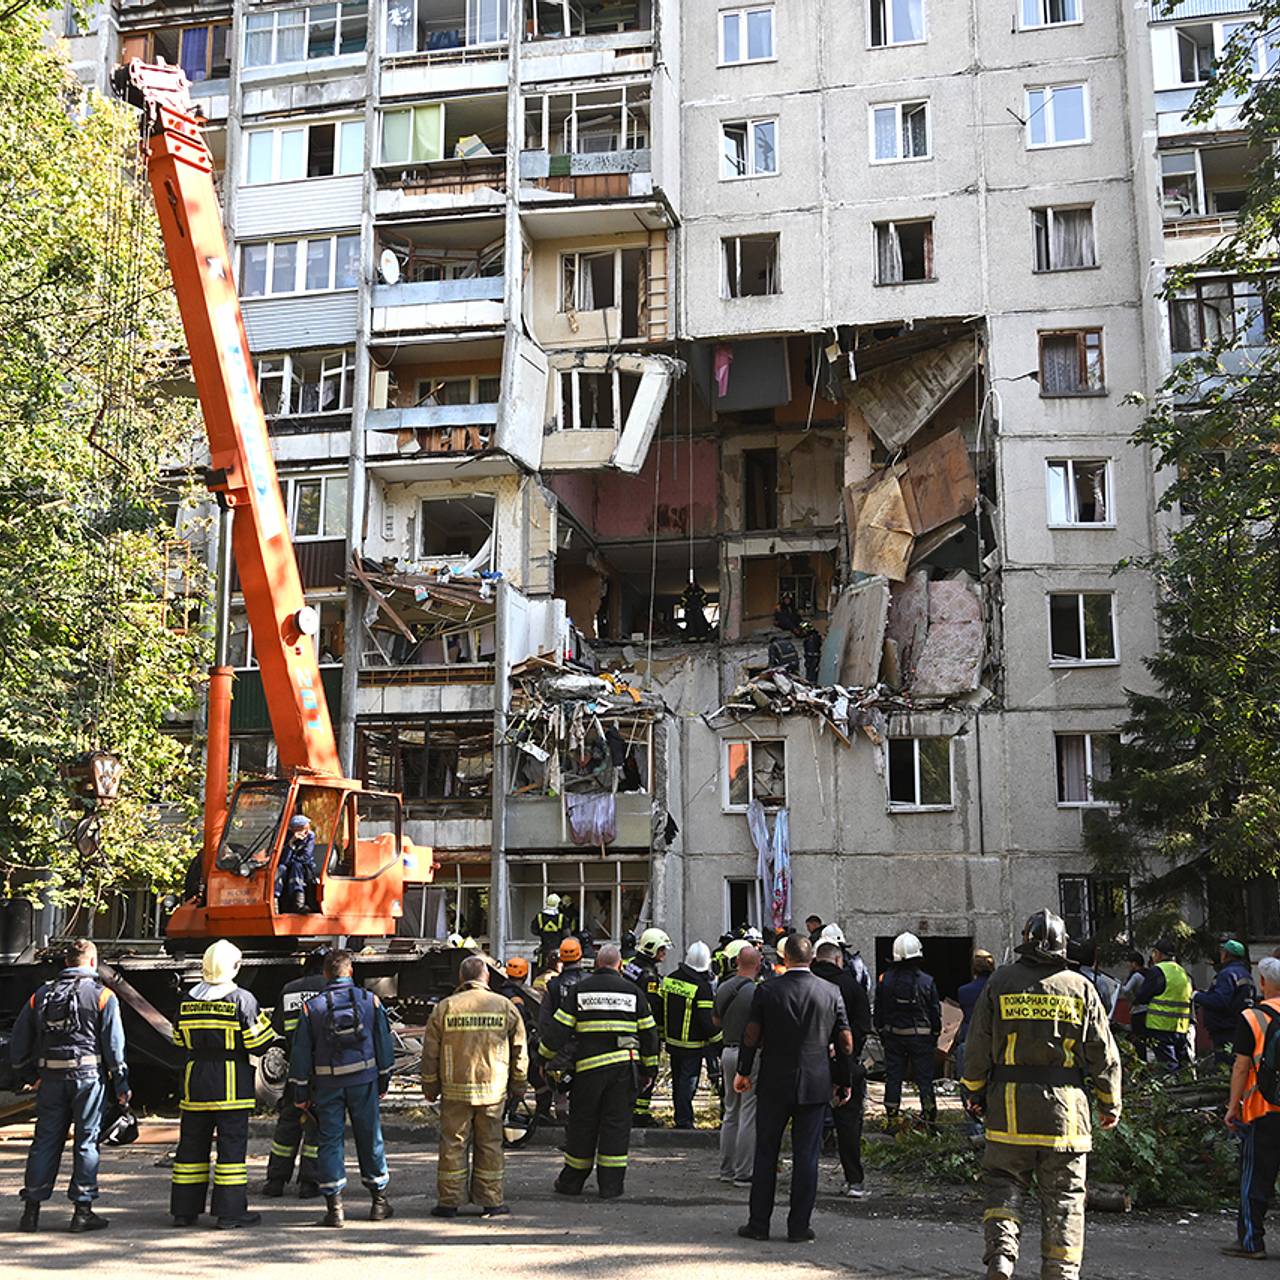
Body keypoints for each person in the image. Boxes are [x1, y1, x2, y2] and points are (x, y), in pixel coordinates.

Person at [961, 909, 1122, 1280]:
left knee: (1003, 1184)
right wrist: (1109, 1102)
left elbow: (978, 1044)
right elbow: (1102, 1051)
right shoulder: (1081, 987)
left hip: (1008, 1110)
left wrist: (973, 1091)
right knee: (1065, 1199)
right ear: (1064, 946)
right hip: (1066, 1116)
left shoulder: (1000, 982)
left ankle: (1002, 1257)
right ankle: (1061, 1271)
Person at [735, 934, 853, 1244]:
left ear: (784, 958)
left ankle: (758, 1224)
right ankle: (799, 1227)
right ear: (812, 958)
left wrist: (743, 1072)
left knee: (766, 1153)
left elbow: (751, 1035)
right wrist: (844, 1080)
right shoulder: (831, 992)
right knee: (807, 1156)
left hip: (774, 1081)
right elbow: (845, 1041)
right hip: (815, 1083)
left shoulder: (767, 990)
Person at [10, 938, 130, 1233]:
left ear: (66, 963)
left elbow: (19, 1040)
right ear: (92, 962)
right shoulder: (103, 996)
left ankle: (31, 1212)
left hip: (51, 1078)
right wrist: (122, 1085)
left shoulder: (42, 994)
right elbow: (115, 1048)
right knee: (86, 1142)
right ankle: (82, 1211)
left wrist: (26, 1074)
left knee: (45, 1142)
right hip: (88, 1079)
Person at [170, 940, 275, 1229]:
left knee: (190, 1148)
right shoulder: (241, 999)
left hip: (196, 1082)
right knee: (230, 1152)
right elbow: (258, 1042)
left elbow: (179, 1040)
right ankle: (229, 1213)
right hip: (230, 1084)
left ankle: (184, 1211)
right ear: (235, 966)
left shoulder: (187, 999)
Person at [540, 943, 659, 1198]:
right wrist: (650, 1070)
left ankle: (572, 1182)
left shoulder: (580, 990)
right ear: (620, 965)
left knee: (582, 1125)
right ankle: (611, 1186)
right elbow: (650, 1035)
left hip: (588, 1071)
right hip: (623, 1071)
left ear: (595, 964)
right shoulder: (634, 992)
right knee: (616, 1127)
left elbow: (557, 1031)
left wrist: (543, 1060)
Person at [289, 948, 395, 1227]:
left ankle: (335, 1209)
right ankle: (379, 1203)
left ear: (325, 974)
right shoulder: (369, 1001)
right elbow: (384, 1045)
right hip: (364, 1081)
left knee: (330, 1142)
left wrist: (300, 1093)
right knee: (370, 1137)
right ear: (351, 972)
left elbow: (300, 1055)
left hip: (327, 1085)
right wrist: (384, 1080)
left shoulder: (312, 1007)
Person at [421, 954, 528, 1218]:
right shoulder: (504, 1006)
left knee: (453, 1145)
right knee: (490, 1145)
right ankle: (491, 1201)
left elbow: (430, 1052)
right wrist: (519, 1084)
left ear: (461, 978)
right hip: (492, 1091)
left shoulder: (445, 1008)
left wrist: (430, 1086)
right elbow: (519, 1050)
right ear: (487, 977)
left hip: (455, 1090)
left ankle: (449, 1202)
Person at [1223, 954, 1280, 1259]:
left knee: (1255, 1177)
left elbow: (1241, 1067)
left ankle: (1251, 1241)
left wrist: (1233, 1107)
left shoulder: (1253, 1017)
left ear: (1262, 983)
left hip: (1263, 1110)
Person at [261, 948, 327, 1199]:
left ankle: (275, 1181)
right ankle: (309, 1183)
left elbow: (276, 1030)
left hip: (294, 1071)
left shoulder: (289, 989)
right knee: (317, 1126)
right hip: (322, 1071)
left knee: (288, 1125)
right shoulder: (330, 989)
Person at [812, 941, 872, 1197]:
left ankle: (806, 1178)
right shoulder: (852, 986)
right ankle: (854, 1181)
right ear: (838, 960)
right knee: (848, 1124)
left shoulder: (808, 982)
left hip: (808, 1063)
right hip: (845, 1064)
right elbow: (862, 1027)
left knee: (808, 1122)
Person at [874, 931, 942, 1128]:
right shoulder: (927, 981)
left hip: (894, 1036)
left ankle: (892, 1119)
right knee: (924, 1080)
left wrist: (881, 1031)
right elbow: (934, 1011)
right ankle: (929, 1120)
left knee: (893, 1077)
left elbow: (879, 1010)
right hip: (921, 1038)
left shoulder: (884, 980)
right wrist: (934, 1035)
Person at [715, 943, 763, 1187]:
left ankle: (726, 1168)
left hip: (727, 1051)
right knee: (748, 1112)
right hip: (749, 1055)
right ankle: (744, 1171)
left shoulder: (723, 988)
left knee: (730, 1111)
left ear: (736, 963)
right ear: (758, 964)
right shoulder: (755, 992)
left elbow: (715, 1019)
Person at [660, 941, 722, 1130]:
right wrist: (720, 1041)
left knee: (678, 1083)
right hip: (692, 1046)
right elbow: (706, 1021)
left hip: (672, 1042)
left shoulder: (670, 979)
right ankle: (684, 1122)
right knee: (688, 1085)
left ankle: (681, 1118)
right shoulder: (701, 987)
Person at [623, 927, 671, 1125]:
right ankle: (640, 1113)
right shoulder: (649, 976)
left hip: (629, 1026)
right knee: (647, 1069)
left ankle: (629, 1109)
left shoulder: (632, 966)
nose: (664, 954)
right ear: (651, 949)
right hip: (644, 1030)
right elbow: (653, 1006)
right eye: (661, 949)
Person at [1135, 938, 1193, 1072]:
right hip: (1180, 1026)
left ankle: (1173, 1091)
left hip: (1160, 1026)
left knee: (1167, 1066)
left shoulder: (1157, 971)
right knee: (1181, 1065)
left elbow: (1143, 996)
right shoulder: (1182, 972)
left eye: (1153, 953)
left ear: (1158, 953)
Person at [1197, 939, 1257, 1064]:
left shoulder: (1227, 974)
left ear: (1227, 954)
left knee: (1225, 1063)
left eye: (1222, 951)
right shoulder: (1245, 973)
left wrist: (1197, 996)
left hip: (1225, 1028)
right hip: (1238, 1025)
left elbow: (1219, 1001)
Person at [275, 814, 317, 914]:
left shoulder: (310, 836)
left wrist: (292, 860)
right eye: (303, 828)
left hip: (304, 867)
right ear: (295, 829)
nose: (306, 830)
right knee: (280, 869)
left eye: (307, 827)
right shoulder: (288, 837)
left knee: (296, 866)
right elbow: (284, 860)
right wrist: (291, 843)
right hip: (290, 864)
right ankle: (275, 902)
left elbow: (305, 857)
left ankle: (299, 903)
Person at [1117, 950, 1149, 1056]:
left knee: (1138, 1039)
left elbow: (1126, 990)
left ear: (1134, 963)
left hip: (1138, 1010)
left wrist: (1132, 999)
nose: (1128, 966)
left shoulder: (1136, 976)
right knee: (1144, 1039)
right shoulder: (1147, 974)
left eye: (1129, 963)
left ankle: (1141, 1062)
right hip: (1148, 1010)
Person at [532, 894, 567, 969]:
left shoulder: (539, 916)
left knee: (542, 972)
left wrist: (543, 933)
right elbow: (567, 934)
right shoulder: (561, 918)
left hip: (544, 951)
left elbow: (534, 930)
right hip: (558, 952)